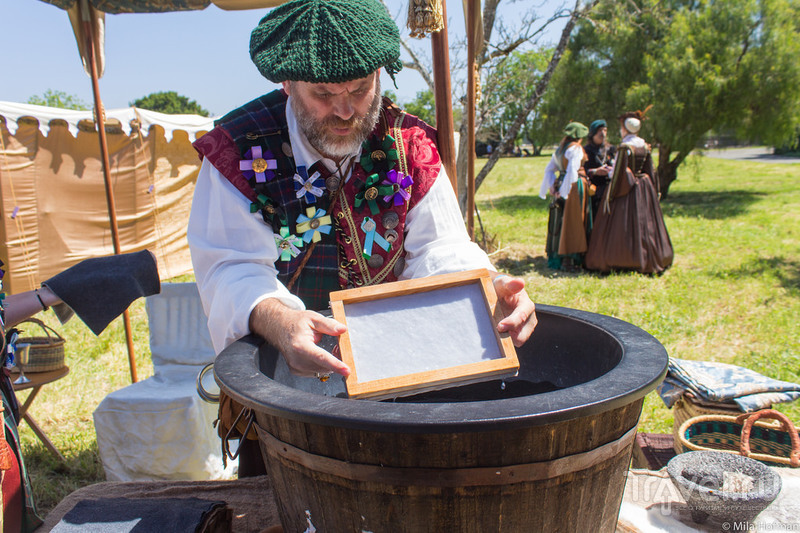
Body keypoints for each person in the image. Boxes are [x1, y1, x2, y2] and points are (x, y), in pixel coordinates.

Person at [187, 0, 537, 474]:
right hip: (282, 395)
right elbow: (231, 267)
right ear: (287, 83)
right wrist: (280, 320)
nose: (347, 110)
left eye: (360, 88)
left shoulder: (407, 144)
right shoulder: (239, 150)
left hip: (399, 381)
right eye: (324, 94)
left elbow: (439, 248)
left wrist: (481, 287)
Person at [585, 109, 674, 274]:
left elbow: (617, 171)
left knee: (622, 223)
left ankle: (623, 258)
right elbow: (650, 169)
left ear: (625, 128)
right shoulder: (643, 145)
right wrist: (655, 190)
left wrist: (610, 191)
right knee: (644, 224)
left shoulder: (625, 146)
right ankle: (648, 255)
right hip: (643, 186)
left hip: (626, 188)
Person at [539, 122, 594, 271]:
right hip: (574, 187)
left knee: (563, 221)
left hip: (564, 185)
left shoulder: (560, 149)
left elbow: (549, 170)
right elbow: (572, 171)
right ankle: (569, 260)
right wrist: (565, 191)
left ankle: (564, 258)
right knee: (573, 222)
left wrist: (552, 187)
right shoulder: (575, 148)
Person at [583, 119, 615, 222]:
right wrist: (595, 171)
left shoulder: (611, 149)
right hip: (593, 193)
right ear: (593, 133)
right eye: (600, 130)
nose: (603, 133)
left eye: (605, 130)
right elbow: (581, 171)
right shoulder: (585, 151)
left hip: (610, 191)